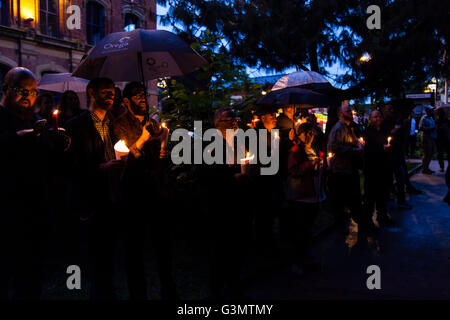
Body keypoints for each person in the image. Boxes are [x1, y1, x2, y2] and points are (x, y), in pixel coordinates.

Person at [0, 67, 69, 300]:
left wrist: (61, 146)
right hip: (6, 213)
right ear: (6, 89)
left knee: (31, 278)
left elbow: (53, 166)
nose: (28, 95)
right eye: (21, 90)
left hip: (36, 212)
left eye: (33, 91)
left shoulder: (39, 122)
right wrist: (14, 141)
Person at [112, 82, 176, 300]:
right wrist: (143, 139)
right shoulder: (119, 124)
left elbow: (161, 154)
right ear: (127, 101)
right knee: (135, 250)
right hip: (133, 193)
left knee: (163, 248)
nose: (142, 99)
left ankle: (169, 290)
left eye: (144, 95)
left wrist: (163, 149)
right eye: (137, 95)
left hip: (157, 190)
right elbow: (128, 158)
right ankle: (138, 294)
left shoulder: (153, 123)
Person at [66, 77, 124, 300]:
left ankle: (107, 291)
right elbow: (72, 166)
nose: (110, 96)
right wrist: (100, 167)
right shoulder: (76, 125)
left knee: (108, 255)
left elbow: (116, 151)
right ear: (91, 92)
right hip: (89, 201)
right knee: (90, 255)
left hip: (111, 198)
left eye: (112, 92)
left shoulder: (111, 124)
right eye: (105, 92)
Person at [198, 108, 251, 299]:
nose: (235, 123)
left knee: (237, 246)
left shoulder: (237, 142)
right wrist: (231, 178)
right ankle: (217, 287)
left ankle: (234, 281)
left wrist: (247, 169)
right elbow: (206, 175)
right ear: (217, 124)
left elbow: (242, 163)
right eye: (229, 120)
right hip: (219, 205)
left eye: (235, 119)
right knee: (220, 249)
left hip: (238, 203)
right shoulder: (209, 145)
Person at [284, 122, 325, 276]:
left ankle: (306, 258)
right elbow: (293, 170)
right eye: (305, 132)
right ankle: (296, 261)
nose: (309, 135)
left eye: (311, 132)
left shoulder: (313, 148)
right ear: (299, 134)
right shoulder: (296, 149)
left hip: (314, 194)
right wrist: (310, 164)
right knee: (299, 230)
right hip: (301, 195)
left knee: (308, 230)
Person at [327, 106, 373, 241]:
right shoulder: (338, 128)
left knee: (355, 199)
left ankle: (361, 224)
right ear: (341, 114)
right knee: (342, 200)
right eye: (348, 111)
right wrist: (354, 150)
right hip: (341, 170)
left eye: (351, 111)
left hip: (349, 169)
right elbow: (334, 147)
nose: (351, 113)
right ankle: (342, 227)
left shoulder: (348, 128)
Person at [381, 103, 417, 210]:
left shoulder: (396, 121)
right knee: (388, 178)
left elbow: (401, 136)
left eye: (392, 109)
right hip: (387, 155)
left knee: (400, 177)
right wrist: (392, 133)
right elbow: (383, 136)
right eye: (389, 109)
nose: (391, 111)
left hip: (397, 154)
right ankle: (389, 198)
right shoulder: (383, 123)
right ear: (384, 110)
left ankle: (401, 199)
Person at [363, 111, 394, 225]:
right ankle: (367, 220)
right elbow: (368, 148)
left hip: (384, 167)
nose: (378, 118)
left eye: (380, 116)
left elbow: (390, 143)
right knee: (370, 196)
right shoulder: (367, 132)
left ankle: (382, 216)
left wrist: (389, 146)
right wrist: (382, 148)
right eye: (375, 117)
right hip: (371, 168)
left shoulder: (385, 130)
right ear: (370, 119)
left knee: (383, 194)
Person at [419, 105, 437, 174]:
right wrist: (429, 129)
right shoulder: (424, 118)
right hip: (426, 138)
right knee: (427, 154)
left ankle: (427, 167)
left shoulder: (431, 118)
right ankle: (424, 169)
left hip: (432, 138)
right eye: (431, 110)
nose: (432, 111)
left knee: (431, 153)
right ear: (427, 111)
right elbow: (420, 127)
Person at [436, 107, 449, 172]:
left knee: (440, 154)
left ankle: (442, 167)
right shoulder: (446, 120)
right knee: (445, 153)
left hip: (441, 139)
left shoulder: (437, 121)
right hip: (445, 139)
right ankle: (443, 167)